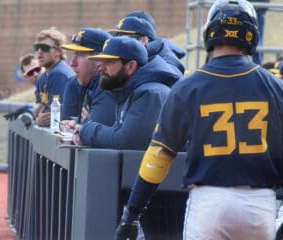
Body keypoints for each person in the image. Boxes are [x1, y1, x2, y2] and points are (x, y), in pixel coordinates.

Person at [115, 1, 283, 239]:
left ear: (210, 34)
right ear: (251, 34)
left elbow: (159, 156)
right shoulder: (274, 85)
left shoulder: (188, 86)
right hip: (259, 205)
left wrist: (132, 213)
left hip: (209, 202)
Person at [72, 36, 179, 150]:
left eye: (109, 62)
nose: (101, 68)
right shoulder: (127, 90)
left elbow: (127, 142)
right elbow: (116, 134)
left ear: (130, 67)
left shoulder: (151, 93)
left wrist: (86, 130)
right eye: (102, 61)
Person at [60, 28, 116, 126]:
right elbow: (67, 127)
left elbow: (97, 134)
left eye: (80, 55)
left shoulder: (108, 86)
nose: (72, 63)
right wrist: (81, 124)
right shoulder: (74, 83)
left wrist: (83, 125)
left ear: (99, 60)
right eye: (74, 55)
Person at [109, 16, 185, 78]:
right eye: (117, 38)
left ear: (143, 40)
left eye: (124, 38)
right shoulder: (145, 57)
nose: (119, 42)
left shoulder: (166, 63)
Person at [33, 27, 75, 127]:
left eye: (44, 48)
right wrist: (37, 116)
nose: (39, 51)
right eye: (37, 47)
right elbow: (38, 108)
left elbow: (53, 116)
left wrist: (38, 119)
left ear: (58, 51)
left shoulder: (59, 74)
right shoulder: (43, 77)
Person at [248, 0, 270, 65]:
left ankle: (258, 65)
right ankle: (258, 65)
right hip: (257, 8)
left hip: (255, 8)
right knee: (258, 40)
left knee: (257, 40)